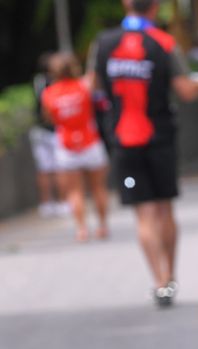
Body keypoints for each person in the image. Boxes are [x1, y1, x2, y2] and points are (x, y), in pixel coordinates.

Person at [89, 0, 198, 305]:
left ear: (125, 4)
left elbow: (92, 86)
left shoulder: (103, 44)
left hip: (122, 139)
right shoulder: (163, 43)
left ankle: (159, 281)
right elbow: (186, 91)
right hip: (160, 138)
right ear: (156, 7)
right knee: (164, 209)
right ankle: (170, 277)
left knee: (144, 214)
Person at [41, 52, 110, 242]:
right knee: (98, 188)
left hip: (66, 145)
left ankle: (81, 229)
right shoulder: (84, 86)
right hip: (91, 142)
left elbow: (50, 118)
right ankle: (103, 225)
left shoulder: (48, 94)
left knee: (74, 191)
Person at [29, 52, 68, 218]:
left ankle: (47, 204)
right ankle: (61, 202)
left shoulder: (37, 80)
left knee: (45, 169)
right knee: (58, 167)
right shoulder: (54, 82)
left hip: (39, 130)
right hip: (52, 130)